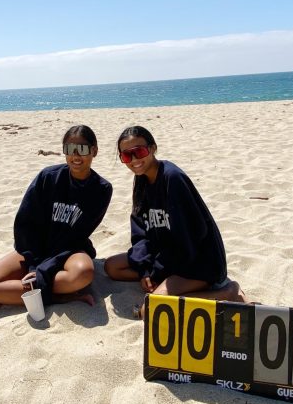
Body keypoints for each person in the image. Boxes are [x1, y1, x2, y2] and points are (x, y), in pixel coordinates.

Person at [104, 126, 247, 318]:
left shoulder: (172, 178)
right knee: (112, 267)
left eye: (139, 151)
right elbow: (140, 230)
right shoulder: (142, 180)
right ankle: (163, 281)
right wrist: (145, 269)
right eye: (127, 156)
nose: (135, 160)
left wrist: (155, 272)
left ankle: (225, 293)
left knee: (151, 309)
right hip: (165, 256)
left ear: (152, 148)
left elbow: (190, 239)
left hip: (196, 262)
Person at [0, 125, 112, 307]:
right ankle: (56, 295)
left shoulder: (101, 189)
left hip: (69, 251)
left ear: (94, 151)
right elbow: (25, 225)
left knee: (83, 273)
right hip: (36, 248)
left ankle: (33, 293)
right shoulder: (48, 177)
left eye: (83, 149)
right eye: (70, 149)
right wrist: (35, 266)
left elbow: (76, 236)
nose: (76, 155)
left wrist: (43, 271)